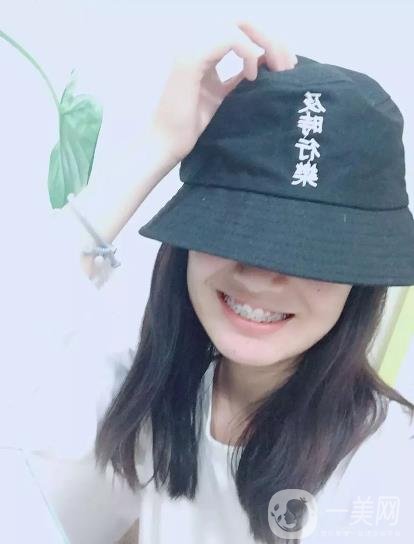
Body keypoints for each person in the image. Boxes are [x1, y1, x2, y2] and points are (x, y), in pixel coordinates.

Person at [18, 19, 414, 544]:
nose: (262, 274)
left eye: (308, 248)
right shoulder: (152, 392)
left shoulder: (388, 464)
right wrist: (158, 143)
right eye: (236, 228)